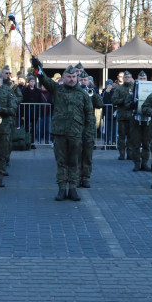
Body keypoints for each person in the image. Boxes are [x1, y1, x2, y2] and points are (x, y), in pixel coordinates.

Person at [34, 60, 92, 201]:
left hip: (76, 133)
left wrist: (88, 135)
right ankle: (61, 189)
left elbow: (89, 116)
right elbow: (43, 78)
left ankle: (72, 189)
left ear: (77, 78)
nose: (71, 79)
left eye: (73, 77)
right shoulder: (57, 89)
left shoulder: (83, 94)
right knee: (61, 162)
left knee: (74, 162)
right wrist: (37, 67)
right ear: (64, 78)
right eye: (68, 77)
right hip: (60, 133)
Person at [79, 73, 102, 188]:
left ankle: (86, 177)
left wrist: (94, 94)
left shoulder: (91, 91)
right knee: (77, 153)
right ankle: (77, 177)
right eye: (81, 79)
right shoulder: (75, 91)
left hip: (88, 127)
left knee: (88, 153)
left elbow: (99, 104)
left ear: (89, 81)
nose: (83, 82)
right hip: (76, 126)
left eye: (85, 80)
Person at [130, 72, 152, 172]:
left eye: (144, 78)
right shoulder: (133, 89)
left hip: (147, 120)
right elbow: (128, 103)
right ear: (137, 79)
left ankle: (145, 163)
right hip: (136, 119)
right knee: (136, 143)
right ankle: (136, 164)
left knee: (146, 143)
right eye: (140, 78)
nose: (142, 80)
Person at [111, 72, 135, 161]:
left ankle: (130, 154)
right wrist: (123, 100)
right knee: (121, 137)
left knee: (131, 137)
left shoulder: (135, 88)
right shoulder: (119, 88)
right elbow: (113, 100)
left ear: (131, 78)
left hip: (132, 117)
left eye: (129, 77)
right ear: (123, 78)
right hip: (122, 116)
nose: (127, 78)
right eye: (126, 77)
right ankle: (121, 154)